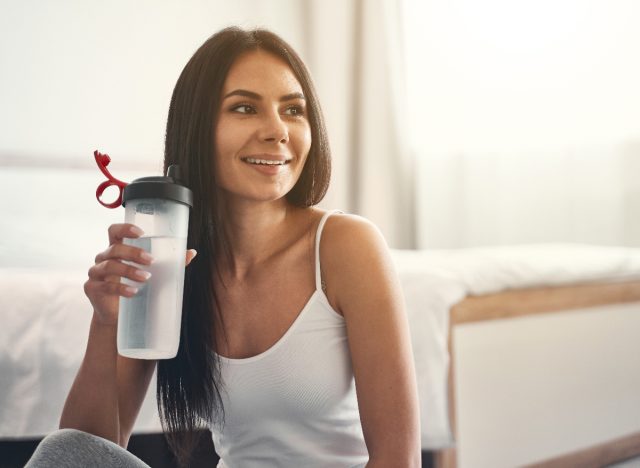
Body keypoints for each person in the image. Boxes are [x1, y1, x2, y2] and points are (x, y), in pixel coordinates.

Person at [26, 26, 420, 468]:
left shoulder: (346, 247)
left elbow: (397, 458)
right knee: (58, 451)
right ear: (198, 126)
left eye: (293, 110)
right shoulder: (173, 264)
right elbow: (87, 450)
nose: (277, 130)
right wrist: (105, 323)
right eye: (245, 108)